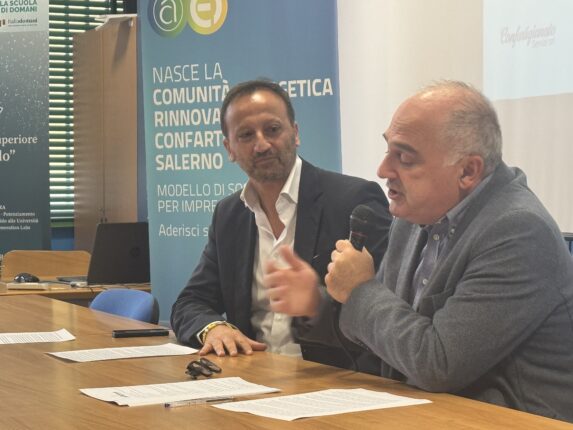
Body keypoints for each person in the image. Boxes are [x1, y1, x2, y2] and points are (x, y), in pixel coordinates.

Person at [264, 80, 573, 422]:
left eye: (405, 158)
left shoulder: (518, 231)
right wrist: (319, 304)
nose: (383, 170)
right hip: (431, 415)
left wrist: (360, 290)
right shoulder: (415, 215)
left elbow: (438, 364)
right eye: (387, 150)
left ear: (468, 171)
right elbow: (390, 338)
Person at [171, 79, 392, 372]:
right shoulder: (229, 214)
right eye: (246, 135)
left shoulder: (353, 201)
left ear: (295, 133)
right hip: (251, 375)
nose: (262, 145)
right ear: (229, 148)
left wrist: (316, 303)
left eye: (273, 130)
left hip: (333, 379)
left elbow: (388, 312)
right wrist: (214, 328)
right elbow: (190, 302)